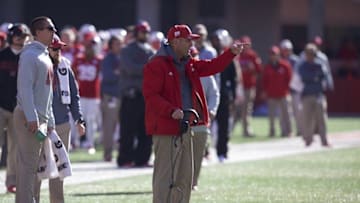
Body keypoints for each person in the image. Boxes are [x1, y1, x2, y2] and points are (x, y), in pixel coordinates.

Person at [143, 24, 244, 203]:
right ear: (175, 42)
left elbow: (212, 67)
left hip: (186, 125)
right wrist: (171, 110)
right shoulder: (156, 64)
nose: (191, 44)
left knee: (185, 177)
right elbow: (151, 96)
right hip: (166, 127)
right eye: (188, 40)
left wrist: (231, 53)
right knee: (165, 176)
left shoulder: (188, 63)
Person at [13, 16, 57, 203]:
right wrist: (32, 117)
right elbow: (25, 89)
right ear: (38, 32)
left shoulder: (44, 55)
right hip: (28, 117)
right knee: (27, 166)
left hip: (40, 118)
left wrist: (50, 120)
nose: (54, 31)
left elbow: (46, 93)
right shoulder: (30, 55)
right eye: (50, 28)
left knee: (34, 167)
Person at [47, 34, 86, 202]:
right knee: (36, 169)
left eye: (59, 48)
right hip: (41, 124)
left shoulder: (65, 67)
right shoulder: (36, 66)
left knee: (59, 169)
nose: (58, 52)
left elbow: (74, 96)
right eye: (54, 48)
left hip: (62, 124)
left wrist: (79, 119)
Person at [117, 21, 155, 167]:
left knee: (145, 129)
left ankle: (143, 158)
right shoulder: (127, 50)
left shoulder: (151, 50)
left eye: (146, 32)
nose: (144, 35)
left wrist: (145, 70)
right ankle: (125, 158)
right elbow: (130, 69)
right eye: (142, 32)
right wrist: (147, 68)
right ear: (136, 33)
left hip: (146, 95)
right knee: (128, 129)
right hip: (131, 94)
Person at [0, 23, 31, 193]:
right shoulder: (2, 55)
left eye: (23, 35)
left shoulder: (28, 57)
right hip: (0, 105)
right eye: (17, 35)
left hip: (18, 107)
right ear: (11, 36)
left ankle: (11, 180)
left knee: (15, 147)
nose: (20, 38)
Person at [210, 29, 238, 162]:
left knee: (224, 126)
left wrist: (233, 95)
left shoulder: (228, 57)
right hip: (209, 96)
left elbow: (233, 79)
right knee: (206, 125)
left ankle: (222, 152)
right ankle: (205, 151)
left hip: (223, 95)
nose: (216, 42)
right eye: (214, 39)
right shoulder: (209, 54)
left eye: (218, 39)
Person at [72, 32, 102, 154]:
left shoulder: (99, 60)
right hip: (81, 94)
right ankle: (74, 142)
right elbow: (73, 75)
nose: (90, 49)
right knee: (76, 119)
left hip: (94, 95)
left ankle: (90, 143)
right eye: (88, 46)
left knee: (91, 120)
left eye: (92, 46)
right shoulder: (78, 59)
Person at [298, 43, 333, 147]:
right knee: (307, 119)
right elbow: (304, 77)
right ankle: (308, 140)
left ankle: (324, 140)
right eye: (308, 53)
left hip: (318, 95)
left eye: (312, 53)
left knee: (321, 119)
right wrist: (315, 77)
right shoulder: (303, 65)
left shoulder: (320, 64)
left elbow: (324, 76)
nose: (310, 56)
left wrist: (314, 77)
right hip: (307, 95)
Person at [100, 35, 123, 162]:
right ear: (111, 45)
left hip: (121, 95)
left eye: (120, 43)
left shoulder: (123, 57)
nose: (120, 46)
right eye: (117, 44)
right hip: (111, 96)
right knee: (109, 126)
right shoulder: (108, 59)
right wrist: (120, 73)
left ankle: (122, 152)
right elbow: (108, 76)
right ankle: (107, 153)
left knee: (124, 126)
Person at [262, 46, 292, 137]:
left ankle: (287, 131)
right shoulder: (267, 67)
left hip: (283, 94)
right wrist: (265, 91)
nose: (273, 56)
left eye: (274, 54)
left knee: (286, 114)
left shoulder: (285, 65)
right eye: (271, 54)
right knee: (271, 116)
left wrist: (286, 89)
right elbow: (264, 80)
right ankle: (272, 132)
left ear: (278, 55)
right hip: (271, 95)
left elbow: (289, 78)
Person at [237, 35, 262, 137]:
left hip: (249, 87)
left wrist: (252, 68)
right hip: (239, 87)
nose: (245, 47)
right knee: (237, 109)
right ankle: (234, 129)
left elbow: (259, 70)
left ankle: (246, 130)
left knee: (247, 109)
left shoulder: (253, 55)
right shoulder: (238, 55)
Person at [280, 39, 303, 136]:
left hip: (295, 90)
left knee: (297, 111)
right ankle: (285, 131)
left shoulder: (296, 60)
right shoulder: (279, 60)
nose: (286, 51)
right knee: (284, 113)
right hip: (284, 90)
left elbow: (299, 75)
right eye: (284, 49)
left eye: (288, 49)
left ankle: (300, 130)